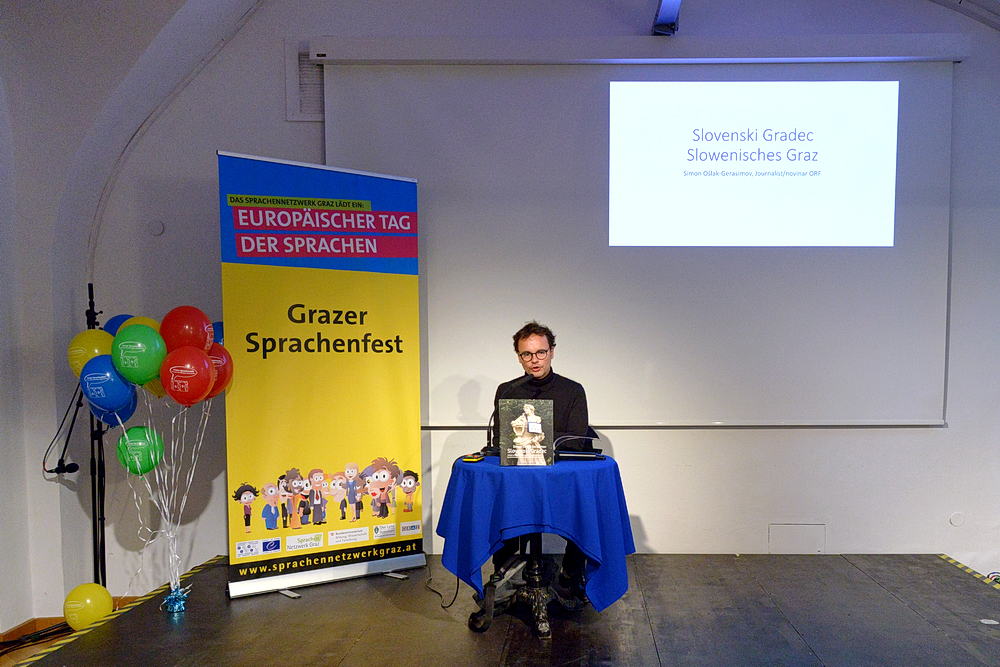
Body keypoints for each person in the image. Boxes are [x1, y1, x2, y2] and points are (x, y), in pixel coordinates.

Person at [490, 320, 592, 608]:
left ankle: (570, 577)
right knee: (498, 502)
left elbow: (575, 440)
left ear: (552, 352)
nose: (534, 360)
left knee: (583, 507)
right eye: (527, 354)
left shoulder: (573, 390)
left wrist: (529, 436)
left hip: (559, 478)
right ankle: (504, 573)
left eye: (540, 352)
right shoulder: (507, 390)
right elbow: (500, 439)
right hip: (520, 479)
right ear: (518, 357)